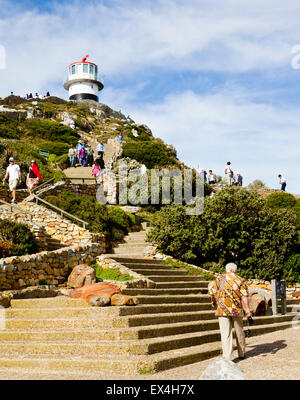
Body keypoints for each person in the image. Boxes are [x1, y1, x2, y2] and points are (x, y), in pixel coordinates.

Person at [209, 263, 251, 361]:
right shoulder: (240, 280)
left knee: (225, 333)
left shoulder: (220, 278)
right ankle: (241, 353)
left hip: (223, 310)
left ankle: (227, 357)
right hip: (236, 309)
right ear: (235, 270)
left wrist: (213, 301)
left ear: (226, 269)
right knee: (239, 331)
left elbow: (213, 292)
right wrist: (247, 310)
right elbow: (244, 297)